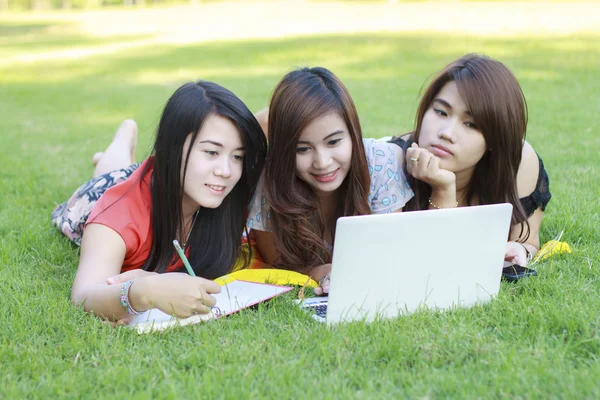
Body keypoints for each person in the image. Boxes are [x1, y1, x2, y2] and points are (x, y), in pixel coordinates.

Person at [52, 81, 267, 322]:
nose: (226, 171)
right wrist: (144, 291)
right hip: (95, 197)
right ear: (171, 147)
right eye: (211, 152)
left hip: (160, 178)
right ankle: (122, 139)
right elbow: (84, 295)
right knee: (108, 176)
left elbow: (272, 120)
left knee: (125, 170)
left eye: (237, 156)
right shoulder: (115, 216)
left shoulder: (229, 192)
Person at [247, 67, 413, 293]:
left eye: (333, 142)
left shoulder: (380, 163)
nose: (323, 162)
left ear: (353, 132)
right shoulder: (270, 181)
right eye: (303, 149)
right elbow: (277, 265)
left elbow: (388, 252)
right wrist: (319, 271)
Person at [391, 53, 551, 266]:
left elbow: (527, 241)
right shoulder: (389, 162)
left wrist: (521, 249)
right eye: (440, 112)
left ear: (495, 139)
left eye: (471, 125)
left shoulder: (520, 162)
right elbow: (430, 261)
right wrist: (442, 188)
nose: (447, 133)